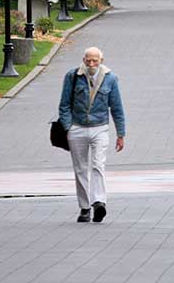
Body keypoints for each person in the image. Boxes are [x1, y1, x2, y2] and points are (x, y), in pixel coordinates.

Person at [57, 46, 126, 224]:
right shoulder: (73, 76)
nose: (91, 63)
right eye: (88, 60)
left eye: (95, 60)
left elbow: (117, 107)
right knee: (80, 169)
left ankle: (99, 202)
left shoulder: (110, 78)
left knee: (97, 165)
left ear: (101, 60)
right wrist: (68, 127)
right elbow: (64, 104)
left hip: (100, 127)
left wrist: (121, 133)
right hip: (77, 127)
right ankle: (85, 207)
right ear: (83, 60)